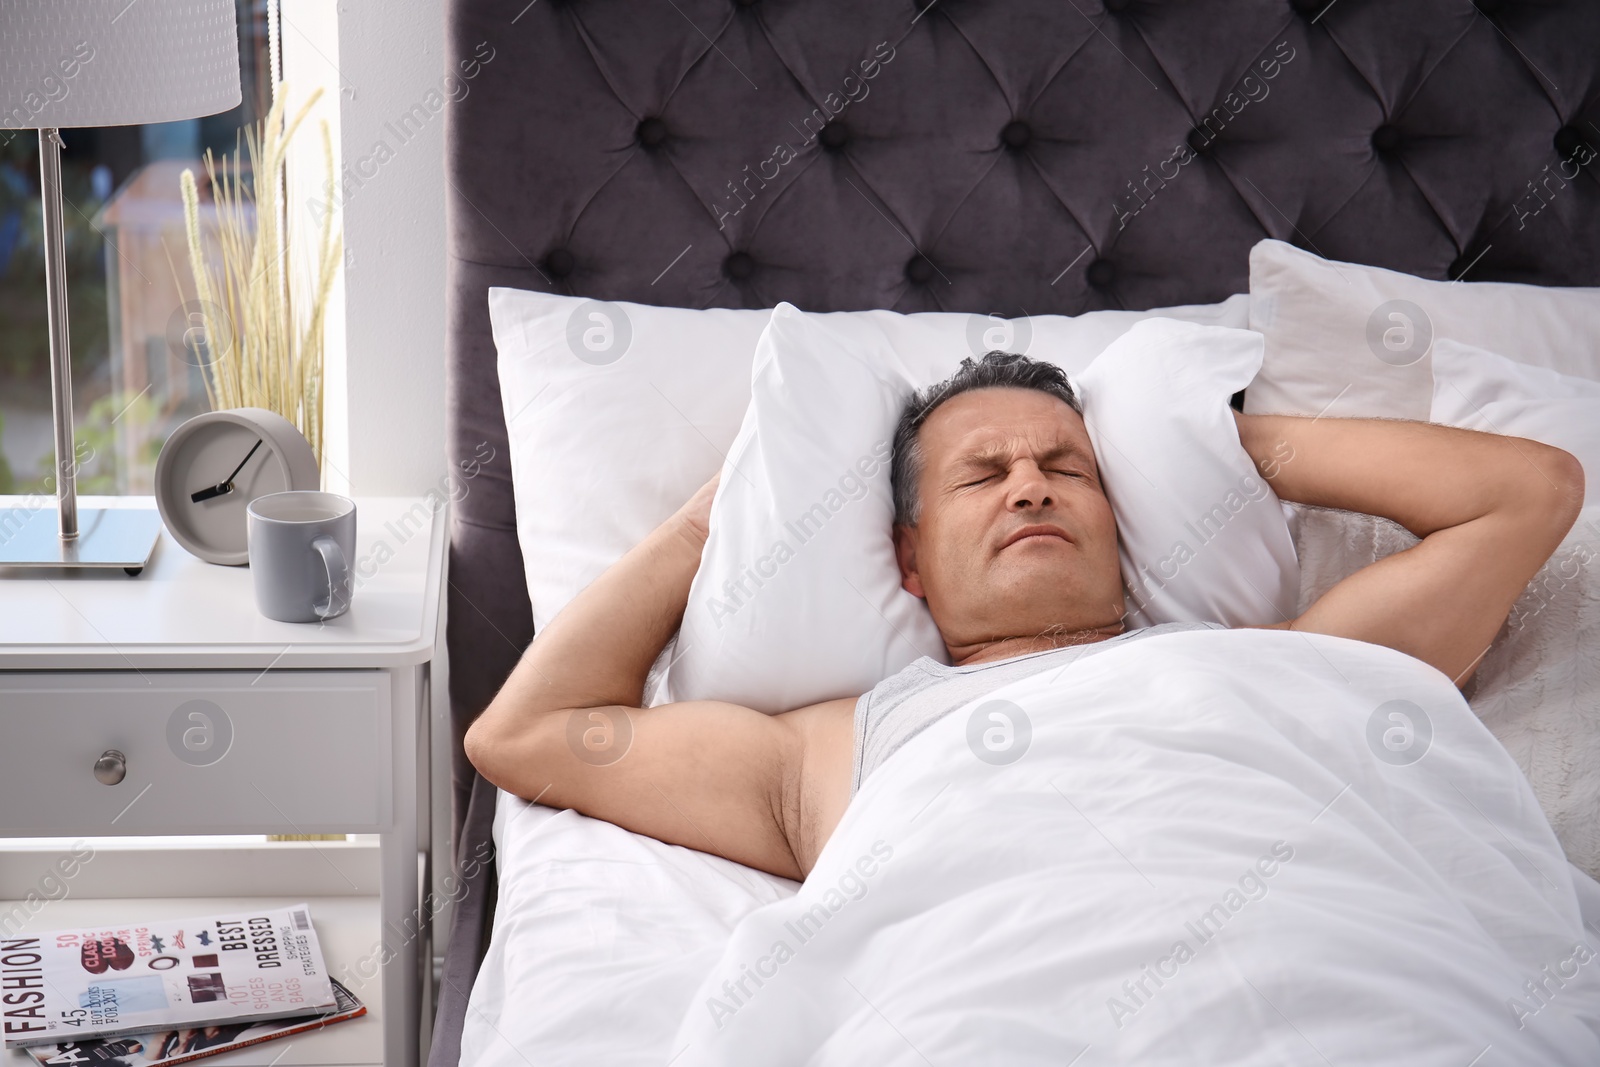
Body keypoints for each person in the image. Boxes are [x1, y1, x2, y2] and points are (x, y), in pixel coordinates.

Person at [465, 351, 1583, 882]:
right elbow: (525, 731)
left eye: (1066, 466)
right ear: (907, 558)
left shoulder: (1282, 667)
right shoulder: (831, 747)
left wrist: (1217, 451)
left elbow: (1530, 490)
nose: (1030, 486)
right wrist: (715, 523)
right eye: (982, 474)